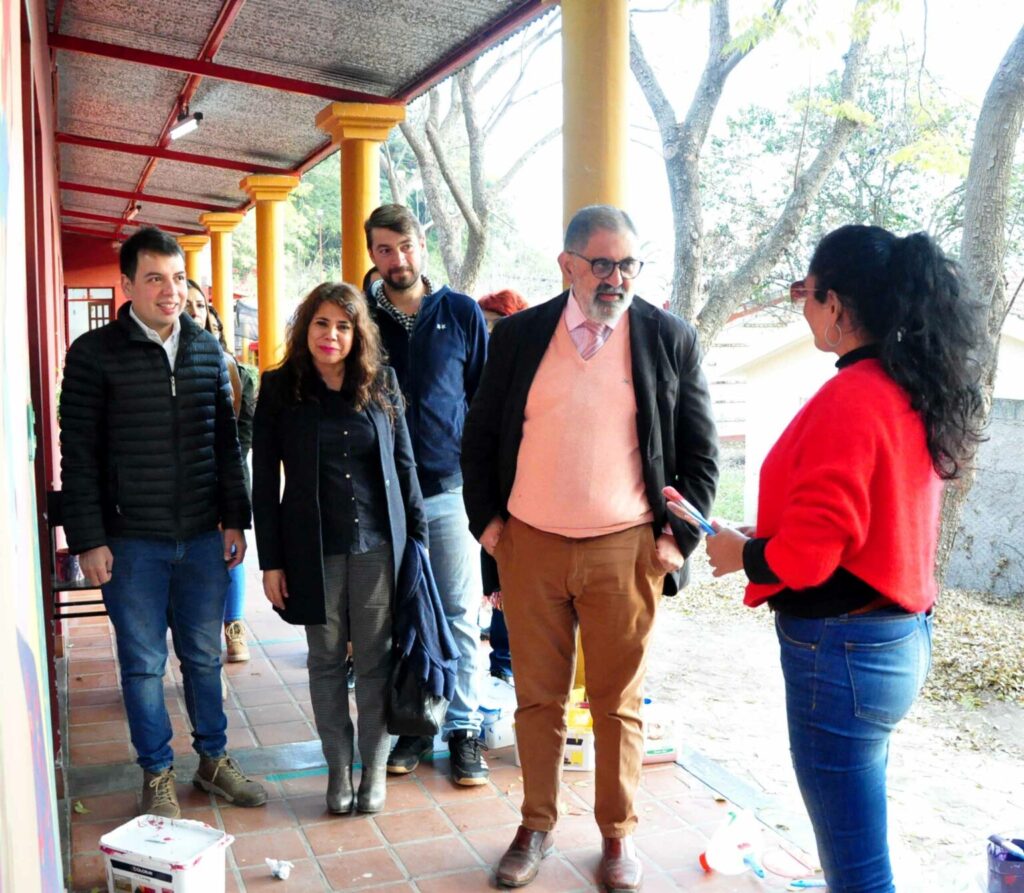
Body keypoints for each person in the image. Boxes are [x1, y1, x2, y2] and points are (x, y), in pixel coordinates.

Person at [683, 225, 984, 893]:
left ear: (837, 304)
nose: (803, 307)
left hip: (845, 652)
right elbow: (858, 522)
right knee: (857, 843)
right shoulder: (907, 386)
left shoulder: (854, 396)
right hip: (892, 637)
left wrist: (743, 553)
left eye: (805, 293)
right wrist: (760, 536)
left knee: (856, 869)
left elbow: (813, 556)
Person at [461, 205, 719, 891]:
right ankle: (536, 823)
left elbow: (700, 456)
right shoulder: (517, 336)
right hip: (530, 546)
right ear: (568, 265)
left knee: (617, 703)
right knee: (537, 698)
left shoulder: (668, 338)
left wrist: (674, 541)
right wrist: (489, 527)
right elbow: (480, 436)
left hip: (625, 549)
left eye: (628, 263)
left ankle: (616, 836)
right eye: (602, 263)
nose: (617, 277)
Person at [59, 227, 267, 819]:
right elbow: (79, 453)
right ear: (127, 285)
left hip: (203, 535)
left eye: (178, 278)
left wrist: (235, 519)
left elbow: (226, 444)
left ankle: (213, 761)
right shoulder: (94, 355)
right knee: (144, 661)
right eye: (154, 278)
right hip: (131, 543)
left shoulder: (206, 350)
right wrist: (89, 539)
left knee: (203, 655)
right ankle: (155, 772)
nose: (169, 291)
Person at [252, 282, 427, 815]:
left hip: (378, 548)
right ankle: (337, 770)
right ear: (305, 328)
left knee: (374, 663)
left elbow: (405, 467)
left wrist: (416, 544)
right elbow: (264, 483)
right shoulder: (280, 389)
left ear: (358, 335)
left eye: (344, 326)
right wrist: (272, 562)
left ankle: (373, 771)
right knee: (325, 661)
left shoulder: (383, 384)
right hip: (313, 551)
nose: (331, 335)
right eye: (322, 323)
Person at [364, 203, 491, 785]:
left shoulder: (461, 313)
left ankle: (463, 729)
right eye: (385, 250)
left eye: (406, 246)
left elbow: (484, 403)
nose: (398, 259)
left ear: (423, 244)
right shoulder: (359, 318)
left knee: (461, 614)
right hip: (380, 497)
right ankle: (418, 724)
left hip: (448, 491)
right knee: (399, 617)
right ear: (373, 255)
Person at [184, 281, 251, 663]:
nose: (194, 310)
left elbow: (241, 428)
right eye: (188, 305)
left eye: (200, 304)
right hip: (189, 482)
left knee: (232, 553)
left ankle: (235, 629)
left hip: (226, 475)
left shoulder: (231, 366)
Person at [476, 289, 530, 685]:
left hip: (530, 495)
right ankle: (503, 664)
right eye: (484, 325)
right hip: (491, 495)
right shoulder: (477, 367)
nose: (488, 333)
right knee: (500, 582)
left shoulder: (530, 369)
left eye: (495, 325)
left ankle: (513, 662)